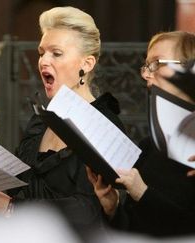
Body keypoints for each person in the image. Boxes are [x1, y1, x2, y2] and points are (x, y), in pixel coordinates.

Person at [0, 6, 126, 231]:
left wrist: (11, 208)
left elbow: (89, 210)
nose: (43, 61)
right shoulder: (40, 122)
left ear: (86, 64)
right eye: (41, 52)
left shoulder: (104, 126)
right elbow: (18, 186)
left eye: (56, 53)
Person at [87, 31, 195, 237]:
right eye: (146, 66)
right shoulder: (148, 147)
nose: (146, 74)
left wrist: (142, 192)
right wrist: (112, 208)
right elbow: (132, 230)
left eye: (157, 63)